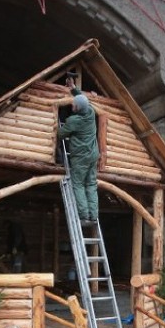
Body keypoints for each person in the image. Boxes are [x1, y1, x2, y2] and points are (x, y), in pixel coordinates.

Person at [58, 77, 99, 228]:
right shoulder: (91, 111)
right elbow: (83, 100)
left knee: (78, 184)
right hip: (93, 154)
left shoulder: (74, 121)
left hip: (80, 158)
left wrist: (56, 128)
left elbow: (60, 135)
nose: (72, 104)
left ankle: (84, 216)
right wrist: (73, 89)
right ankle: (93, 215)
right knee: (91, 184)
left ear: (77, 109)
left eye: (74, 104)